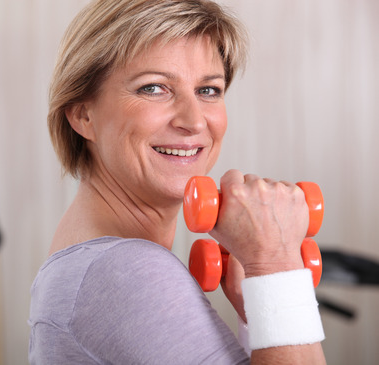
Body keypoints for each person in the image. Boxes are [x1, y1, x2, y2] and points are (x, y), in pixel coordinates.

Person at [29, 0, 327, 364]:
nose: (194, 120)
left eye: (208, 91)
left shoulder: (91, 264)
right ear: (82, 114)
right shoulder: (128, 272)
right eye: (154, 88)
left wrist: (261, 313)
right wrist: (275, 264)